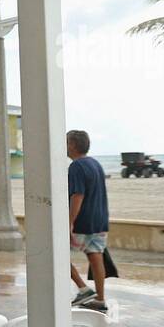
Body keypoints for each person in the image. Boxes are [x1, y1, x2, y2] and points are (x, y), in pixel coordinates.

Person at [67, 129, 109, 312]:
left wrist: (69, 222)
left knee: (55, 255)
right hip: (99, 220)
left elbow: (78, 196)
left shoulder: (76, 166)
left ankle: (83, 289)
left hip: (82, 222)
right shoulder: (96, 164)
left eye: (66, 142)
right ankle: (100, 299)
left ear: (72, 145)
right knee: (96, 257)